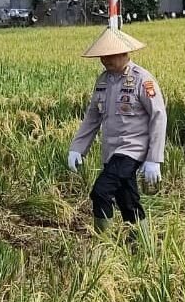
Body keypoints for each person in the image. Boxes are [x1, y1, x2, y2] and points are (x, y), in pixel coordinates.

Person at [68, 27, 167, 234]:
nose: (105, 59)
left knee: (100, 192)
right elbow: (92, 117)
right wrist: (78, 148)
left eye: (110, 55)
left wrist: (153, 159)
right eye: (102, 55)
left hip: (132, 150)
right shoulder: (103, 81)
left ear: (124, 52)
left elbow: (158, 117)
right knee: (128, 201)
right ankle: (144, 244)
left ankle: (102, 245)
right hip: (111, 152)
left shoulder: (142, 79)